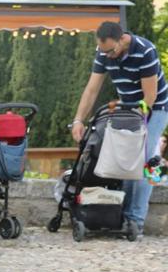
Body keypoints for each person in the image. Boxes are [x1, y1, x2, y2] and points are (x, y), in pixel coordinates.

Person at [71, 21, 168, 237]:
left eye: (110, 51)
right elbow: (92, 89)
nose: (107, 56)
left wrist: (137, 125)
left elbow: (149, 97)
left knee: (144, 158)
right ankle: (122, 216)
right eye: (103, 51)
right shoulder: (104, 52)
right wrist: (78, 120)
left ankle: (136, 221)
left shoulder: (145, 51)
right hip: (128, 107)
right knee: (125, 158)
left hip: (155, 109)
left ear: (122, 39)